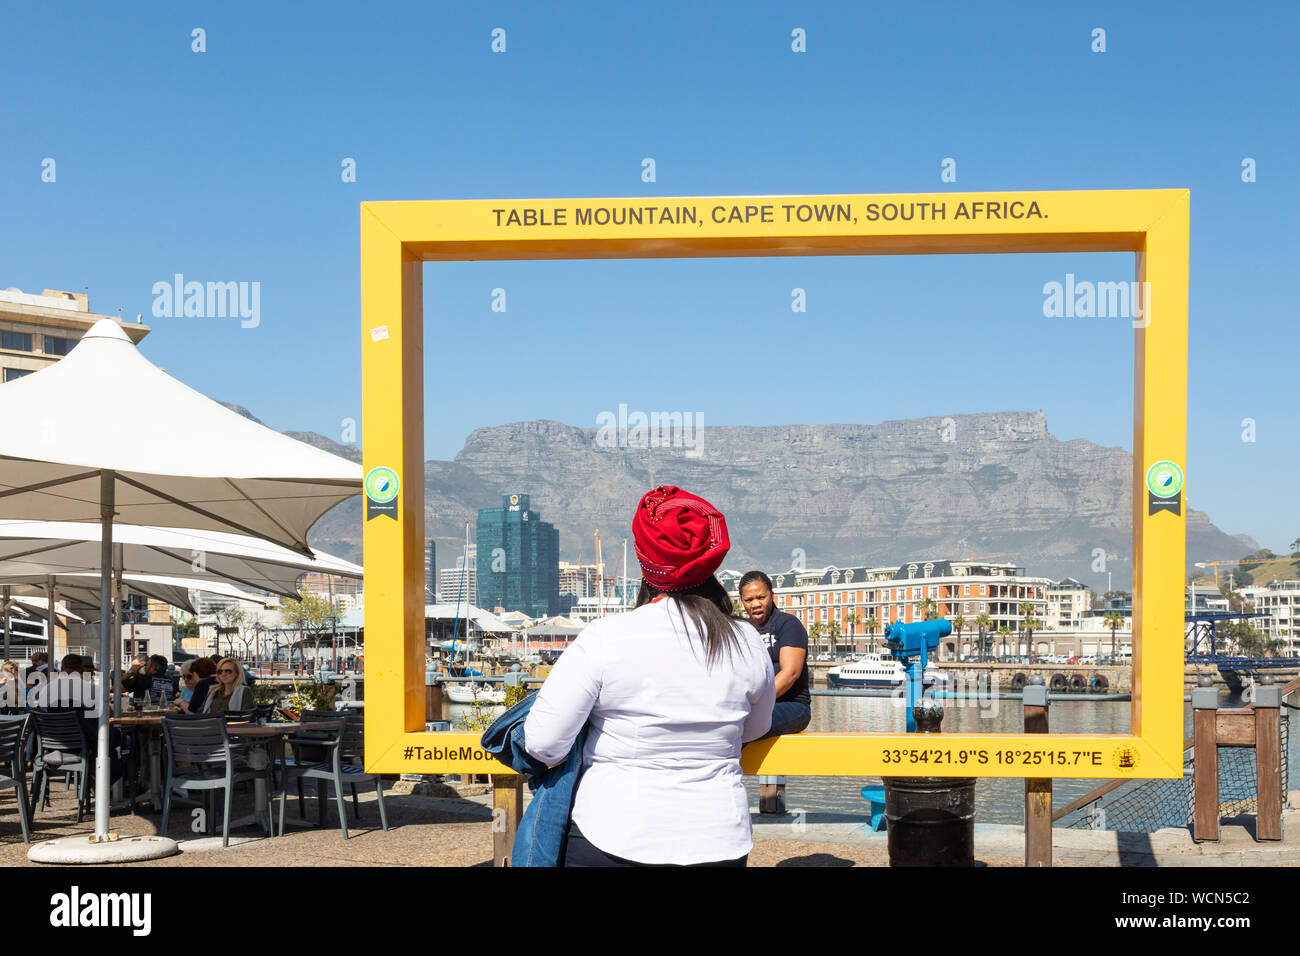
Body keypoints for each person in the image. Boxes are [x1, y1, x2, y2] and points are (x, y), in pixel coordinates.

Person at [523, 485, 775, 867]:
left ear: (645, 561)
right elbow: (755, 728)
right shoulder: (747, 641)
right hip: (718, 838)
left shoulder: (606, 637)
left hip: (613, 834)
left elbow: (544, 743)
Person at [739, 570, 812, 739]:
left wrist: (756, 703)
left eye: (761, 597)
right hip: (755, 705)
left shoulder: (788, 624)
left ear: (772, 595)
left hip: (793, 706)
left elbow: (790, 674)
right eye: (749, 600)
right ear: (742, 602)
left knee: (742, 722)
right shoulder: (743, 629)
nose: (755, 604)